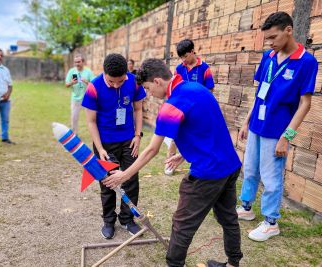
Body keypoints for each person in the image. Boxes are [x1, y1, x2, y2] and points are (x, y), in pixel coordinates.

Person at [103, 58, 243, 267]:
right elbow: (206, 129)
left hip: (208, 173)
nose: (149, 94)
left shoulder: (172, 105)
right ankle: (233, 263)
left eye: (149, 88)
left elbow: (152, 149)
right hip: (230, 165)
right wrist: (184, 154)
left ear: (158, 81)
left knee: (182, 224)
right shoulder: (197, 88)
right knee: (228, 218)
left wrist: (125, 174)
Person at [236, 11, 318, 242]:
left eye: (273, 37)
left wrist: (287, 135)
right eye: (267, 39)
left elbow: (305, 103)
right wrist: (246, 119)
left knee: (271, 178)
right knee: (250, 169)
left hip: (277, 130)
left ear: (288, 30)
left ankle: (271, 222)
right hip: (257, 125)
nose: (270, 43)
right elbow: (260, 91)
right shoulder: (268, 57)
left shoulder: (306, 62)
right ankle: (246, 207)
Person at [82, 53, 146, 239]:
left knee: (131, 181)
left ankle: (128, 219)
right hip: (105, 144)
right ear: (104, 74)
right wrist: (100, 148)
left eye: (120, 81)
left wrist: (137, 135)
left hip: (129, 140)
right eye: (112, 82)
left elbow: (139, 109)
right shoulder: (94, 87)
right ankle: (108, 221)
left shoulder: (133, 81)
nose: (117, 85)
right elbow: (91, 122)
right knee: (108, 183)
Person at [164, 39, 215, 175]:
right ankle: (170, 161)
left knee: (197, 135)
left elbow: (209, 90)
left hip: (198, 110)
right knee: (176, 134)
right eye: (181, 57)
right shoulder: (179, 69)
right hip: (182, 108)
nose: (183, 60)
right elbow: (173, 88)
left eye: (185, 56)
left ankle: (197, 164)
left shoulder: (204, 68)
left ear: (192, 51)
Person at [65, 54, 95, 134]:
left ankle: (93, 133)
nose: (77, 64)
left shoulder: (88, 72)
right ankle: (74, 134)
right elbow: (66, 85)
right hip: (75, 99)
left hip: (87, 98)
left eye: (78, 62)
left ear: (83, 62)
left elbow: (94, 86)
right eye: (75, 62)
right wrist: (72, 82)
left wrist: (86, 81)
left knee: (91, 118)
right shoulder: (72, 71)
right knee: (74, 118)